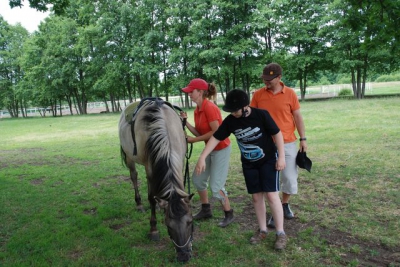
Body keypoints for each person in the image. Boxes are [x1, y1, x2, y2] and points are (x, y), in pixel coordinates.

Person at [194, 89, 288, 250]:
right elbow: (216, 137)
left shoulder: (261, 115)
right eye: (231, 111)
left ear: (245, 106)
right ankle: (262, 230)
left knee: (272, 195)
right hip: (249, 163)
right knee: (256, 198)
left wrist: (282, 157)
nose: (234, 114)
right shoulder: (231, 121)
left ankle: (280, 233)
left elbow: (277, 134)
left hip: (268, 161)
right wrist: (203, 156)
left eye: (236, 110)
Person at [250, 63, 308, 228]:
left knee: (289, 177)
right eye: (264, 79)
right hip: (265, 144)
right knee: (269, 179)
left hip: (288, 141)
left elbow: (297, 116)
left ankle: (284, 203)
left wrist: (303, 138)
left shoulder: (289, 94)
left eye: (270, 79)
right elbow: (252, 116)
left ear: (279, 77)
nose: (266, 82)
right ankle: (275, 211)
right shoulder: (258, 95)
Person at [180, 78, 234, 227]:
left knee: (216, 187)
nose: (189, 94)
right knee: (198, 179)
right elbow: (199, 132)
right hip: (210, 148)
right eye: (188, 92)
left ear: (201, 92)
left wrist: (193, 140)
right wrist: (186, 122)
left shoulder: (209, 107)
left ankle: (228, 213)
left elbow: (217, 132)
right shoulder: (198, 109)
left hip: (221, 148)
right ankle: (206, 210)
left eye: (191, 91)